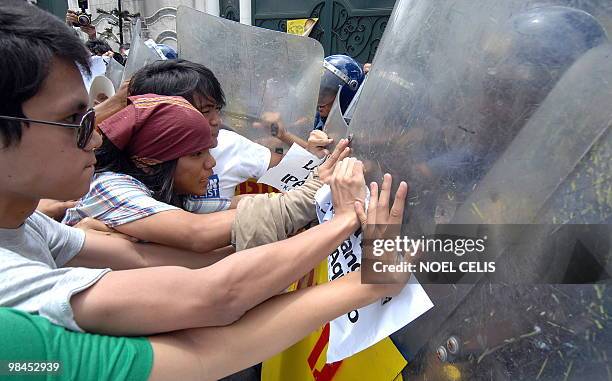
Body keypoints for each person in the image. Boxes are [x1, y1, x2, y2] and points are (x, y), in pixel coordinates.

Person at [0, 1, 414, 344]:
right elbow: (213, 294)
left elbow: (202, 263)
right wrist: (342, 224)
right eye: (77, 119)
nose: (95, 139)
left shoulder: (34, 230)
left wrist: (311, 220)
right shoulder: (22, 276)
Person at [125, 59, 329, 210]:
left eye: (217, 109)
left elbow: (298, 173)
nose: (216, 121)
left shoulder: (230, 144)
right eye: (204, 111)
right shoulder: (121, 187)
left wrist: (309, 151)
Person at [314, 55, 365, 130]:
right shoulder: (321, 115)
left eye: (326, 93)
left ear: (344, 94)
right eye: (320, 90)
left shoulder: (356, 129)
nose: (320, 98)